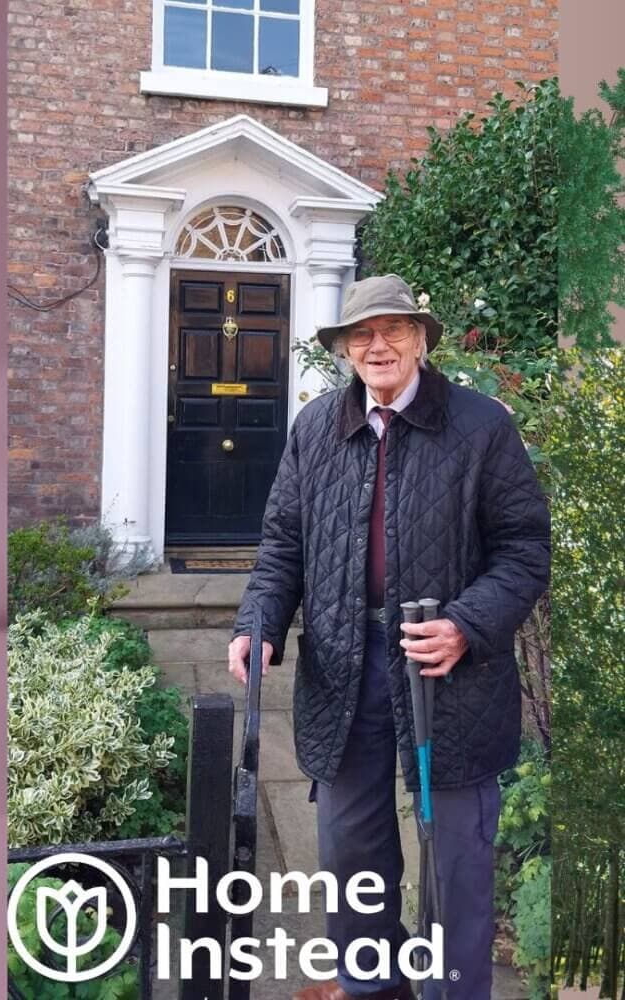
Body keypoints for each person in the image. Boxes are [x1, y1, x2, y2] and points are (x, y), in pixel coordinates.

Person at [228, 274, 550, 1000]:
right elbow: (283, 542)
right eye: (361, 335)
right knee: (350, 852)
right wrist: (260, 623)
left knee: (455, 862)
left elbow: (526, 548)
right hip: (343, 666)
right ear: (344, 350)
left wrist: (467, 624)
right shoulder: (315, 427)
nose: (378, 346)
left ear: (422, 339)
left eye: (394, 330)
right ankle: (373, 985)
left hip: (451, 677)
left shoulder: (480, 426)